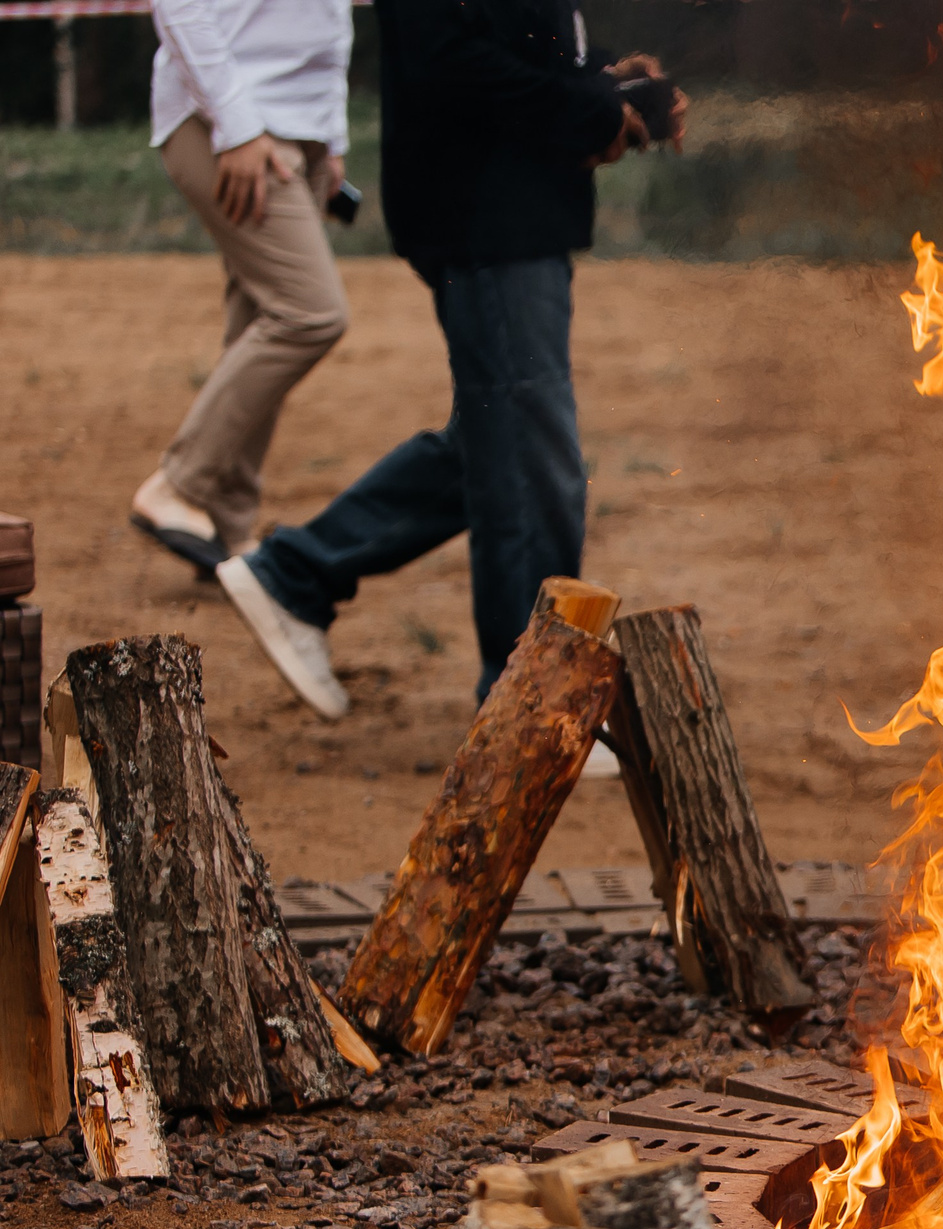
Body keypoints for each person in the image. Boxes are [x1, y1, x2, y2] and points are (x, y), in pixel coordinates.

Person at [213, 0, 683, 719]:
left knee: (496, 440)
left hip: (509, 205)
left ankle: (296, 574)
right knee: (529, 454)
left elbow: (520, 35)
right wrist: (589, 111)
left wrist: (606, 80)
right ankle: (528, 703)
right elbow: (451, 59)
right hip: (485, 211)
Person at [133, 0, 353, 575]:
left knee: (259, 313)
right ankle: (177, 485)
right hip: (230, 123)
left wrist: (328, 136)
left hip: (293, 127)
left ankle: (227, 527)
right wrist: (236, 124)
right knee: (310, 314)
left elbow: (327, 17)